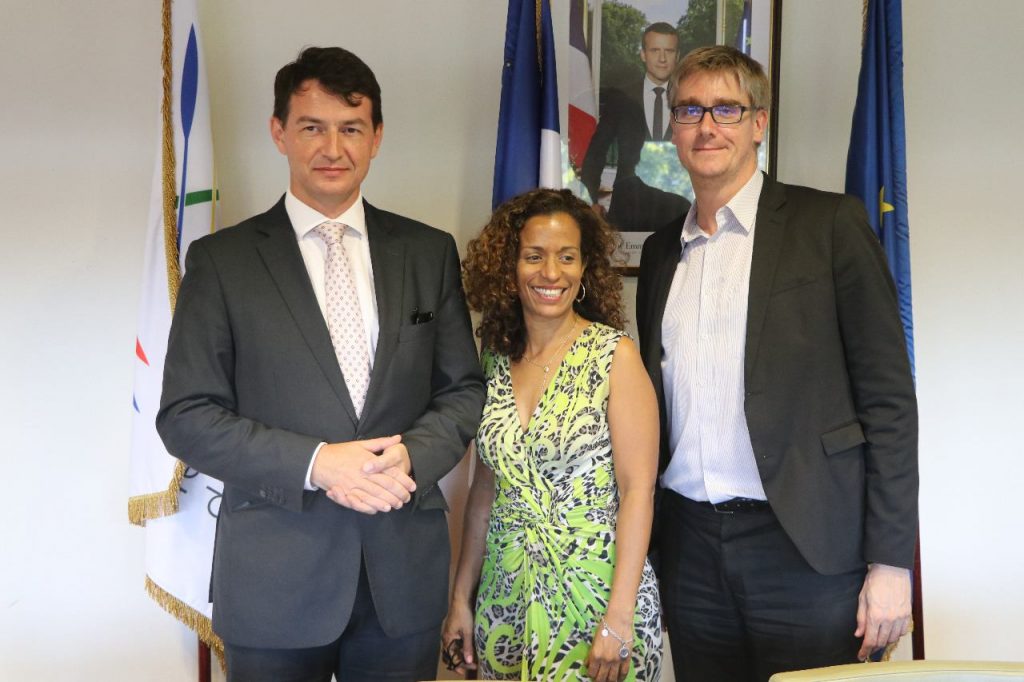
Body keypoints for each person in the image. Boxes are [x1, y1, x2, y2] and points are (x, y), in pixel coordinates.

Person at [156, 46, 484, 681]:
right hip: (274, 578)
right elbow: (187, 415)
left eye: (351, 129)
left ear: (376, 137)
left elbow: (462, 390)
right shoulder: (222, 262)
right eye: (312, 127)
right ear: (279, 132)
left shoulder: (428, 251)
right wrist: (317, 463)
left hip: (402, 576)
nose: (333, 148)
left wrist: (410, 457)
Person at [635, 45, 919, 682]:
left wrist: (890, 562)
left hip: (806, 548)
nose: (707, 126)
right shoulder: (660, 253)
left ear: (758, 123)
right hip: (690, 550)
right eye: (690, 110)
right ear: (674, 127)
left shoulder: (829, 224)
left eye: (726, 109)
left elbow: (890, 404)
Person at [443, 189, 662, 681]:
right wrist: (461, 600)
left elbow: (638, 491)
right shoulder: (493, 361)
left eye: (567, 257)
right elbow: (485, 491)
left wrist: (619, 617)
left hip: (597, 602)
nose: (551, 273)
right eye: (534, 256)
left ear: (585, 268)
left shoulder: (615, 355)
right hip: (505, 603)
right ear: (509, 267)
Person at [581, 22, 681, 205]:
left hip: (680, 203)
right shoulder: (621, 98)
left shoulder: (690, 99)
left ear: (677, 55)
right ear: (643, 54)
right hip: (628, 205)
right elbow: (596, 153)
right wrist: (591, 201)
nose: (662, 58)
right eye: (655, 50)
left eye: (669, 51)